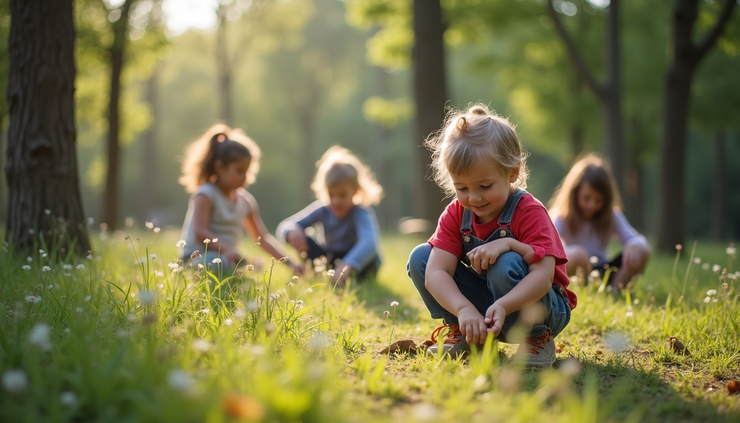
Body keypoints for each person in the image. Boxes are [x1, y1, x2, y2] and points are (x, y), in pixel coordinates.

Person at [406, 104, 576, 367]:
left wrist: (505, 304)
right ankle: (467, 334)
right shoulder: (456, 213)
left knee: (505, 263)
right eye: (461, 187)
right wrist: (464, 309)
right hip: (486, 308)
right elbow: (436, 272)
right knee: (421, 258)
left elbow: (543, 278)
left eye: (485, 186)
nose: (473, 197)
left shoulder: (529, 212)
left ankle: (535, 338)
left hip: (540, 305)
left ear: (512, 173)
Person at [178, 123, 303, 275]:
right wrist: (227, 249)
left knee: (240, 270)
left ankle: (237, 271)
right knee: (217, 265)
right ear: (220, 167)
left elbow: (262, 238)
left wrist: (290, 264)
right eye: (239, 171)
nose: (244, 177)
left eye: (247, 171)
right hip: (198, 259)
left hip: (228, 258)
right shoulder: (206, 194)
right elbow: (200, 231)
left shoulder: (245, 202)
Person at [277, 146, 383, 287]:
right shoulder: (322, 209)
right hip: (329, 259)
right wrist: (291, 229)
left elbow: (369, 243)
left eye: (342, 195)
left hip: (356, 263)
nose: (336, 201)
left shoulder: (361, 212)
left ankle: (354, 280)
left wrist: (347, 265)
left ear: (356, 191)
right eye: (331, 195)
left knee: (370, 254)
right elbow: (285, 225)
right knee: (302, 235)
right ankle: (324, 276)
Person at [548, 153, 651, 289]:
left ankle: (615, 289)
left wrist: (633, 245)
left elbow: (638, 240)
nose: (592, 205)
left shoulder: (611, 215)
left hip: (605, 271)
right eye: (587, 198)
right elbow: (547, 245)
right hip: (579, 272)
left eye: (598, 200)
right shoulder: (562, 216)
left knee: (642, 250)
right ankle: (584, 288)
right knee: (578, 254)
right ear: (574, 193)